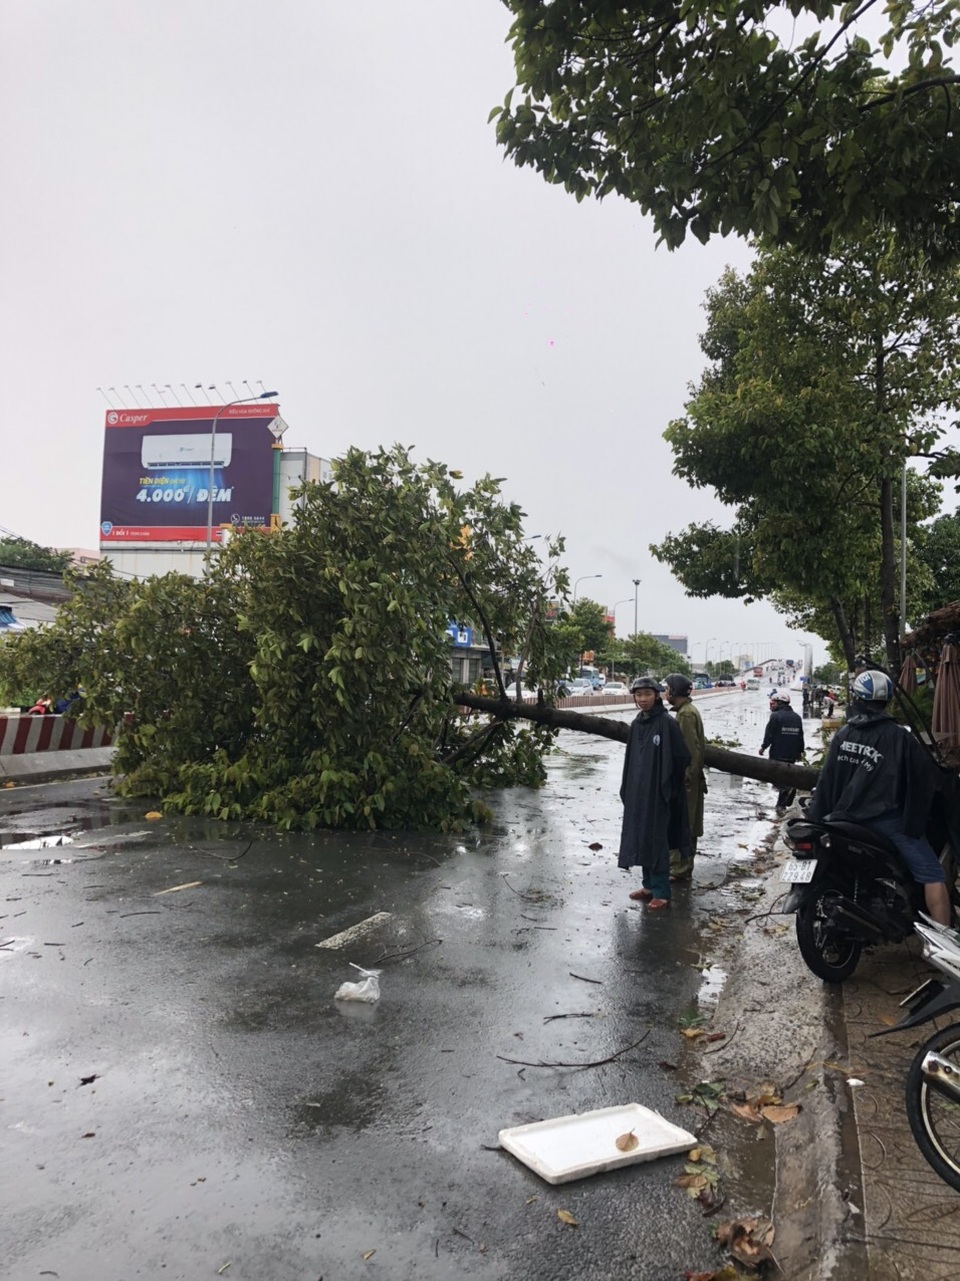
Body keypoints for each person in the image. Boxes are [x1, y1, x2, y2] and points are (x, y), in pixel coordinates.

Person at [806, 669, 952, 926]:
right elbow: (923, 777)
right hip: (883, 821)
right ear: (888, 701)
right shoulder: (900, 737)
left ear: (857, 698)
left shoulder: (843, 735)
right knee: (932, 873)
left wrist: (817, 816)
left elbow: (827, 780)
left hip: (841, 818)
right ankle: (946, 948)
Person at [617, 676, 691, 911]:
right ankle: (648, 885)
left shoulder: (667, 723)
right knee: (640, 838)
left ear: (657, 695)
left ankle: (661, 891)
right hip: (638, 792)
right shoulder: (637, 724)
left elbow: (682, 757)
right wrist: (627, 789)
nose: (643, 699)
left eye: (648, 694)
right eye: (639, 695)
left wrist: (668, 787)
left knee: (657, 841)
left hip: (659, 793)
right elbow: (631, 759)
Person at [662, 672, 706, 882]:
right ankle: (681, 866)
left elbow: (690, 749)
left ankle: (680, 868)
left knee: (684, 822)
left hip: (686, 779)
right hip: (688, 778)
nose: (665, 692)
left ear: (675, 690)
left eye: (667, 688)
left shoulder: (686, 715)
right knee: (687, 821)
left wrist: (686, 777)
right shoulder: (686, 711)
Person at [759, 691, 805, 811]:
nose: (771, 705)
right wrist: (800, 752)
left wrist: (763, 747)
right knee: (785, 776)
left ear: (780, 703)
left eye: (773, 703)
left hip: (778, 752)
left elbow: (769, 734)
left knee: (774, 776)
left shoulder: (775, 716)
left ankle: (787, 791)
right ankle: (781, 804)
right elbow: (800, 736)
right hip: (792, 753)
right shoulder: (797, 717)